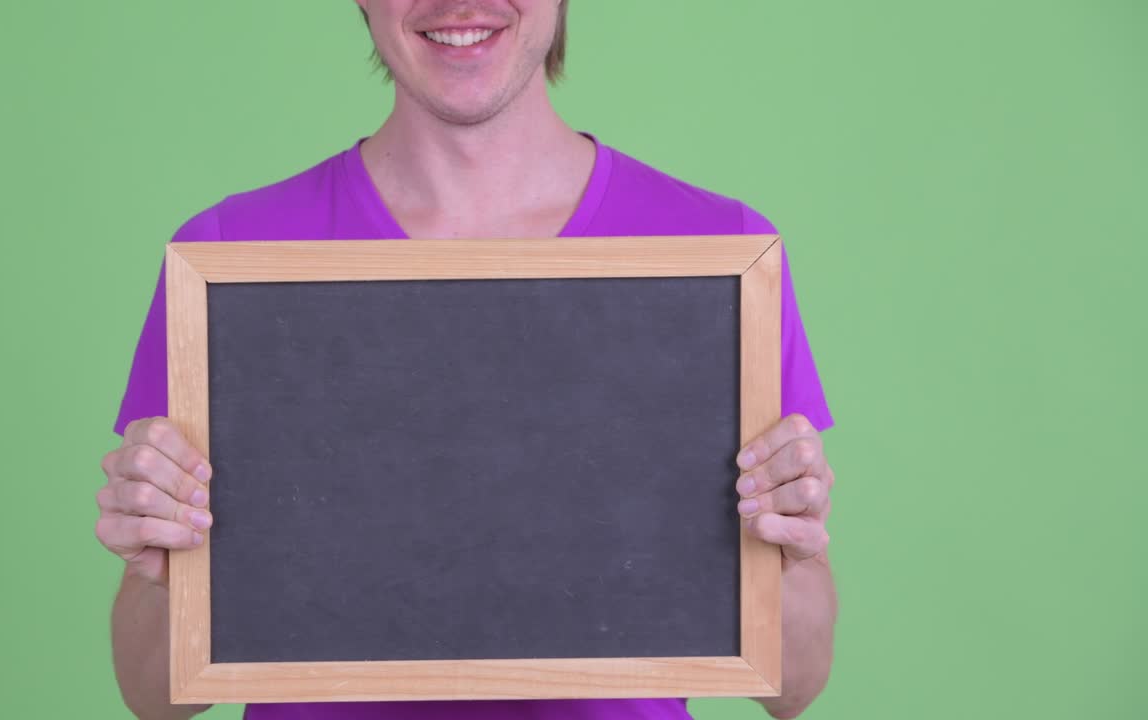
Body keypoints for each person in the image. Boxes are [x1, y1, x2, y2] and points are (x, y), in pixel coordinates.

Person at [95, 1, 839, 718]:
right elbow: (152, 696)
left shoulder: (717, 257)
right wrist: (157, 572)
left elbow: (794, 687)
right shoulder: (231, 258)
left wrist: (794, 552)